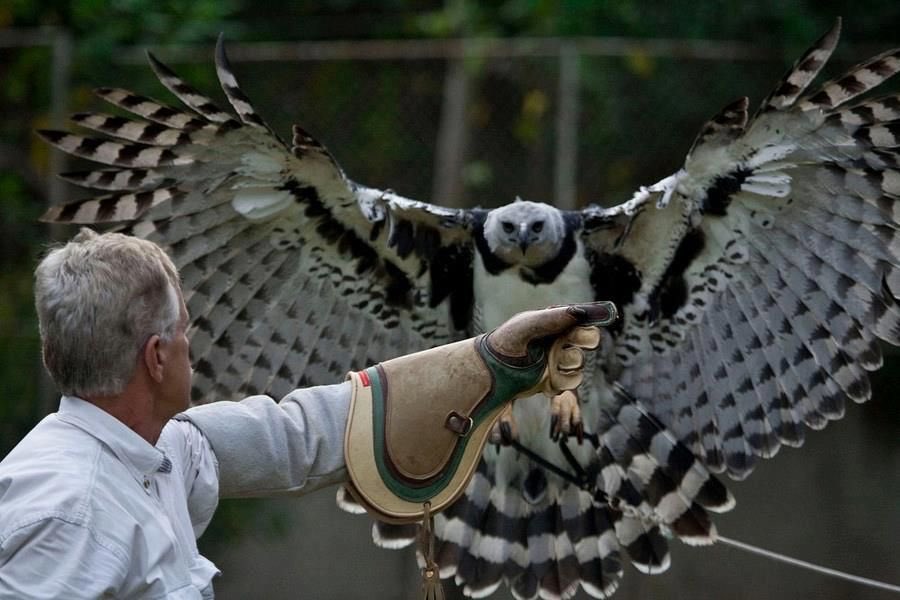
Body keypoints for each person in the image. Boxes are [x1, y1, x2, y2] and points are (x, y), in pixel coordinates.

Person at [0, 229, 613, 599]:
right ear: (157, 358)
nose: (195, 343)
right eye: (185, 331)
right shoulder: (69, 515)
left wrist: (491, 366)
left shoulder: (154, 452)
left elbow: (303, 434)